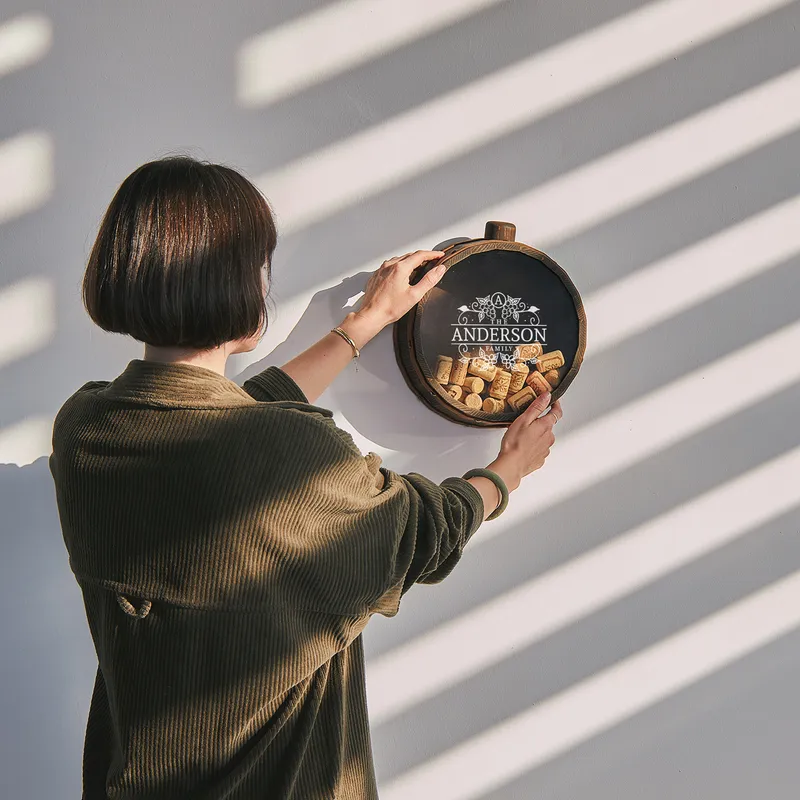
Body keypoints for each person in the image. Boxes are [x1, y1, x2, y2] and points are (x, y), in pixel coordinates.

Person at [49, 155, 563, 800]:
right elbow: (419, 531)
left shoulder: (86, 429)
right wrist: (507, 471)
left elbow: (229, 424)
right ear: (240, 283)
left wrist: (362, 325)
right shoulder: (292, 452)